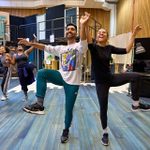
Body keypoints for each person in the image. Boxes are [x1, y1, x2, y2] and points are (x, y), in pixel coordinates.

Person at [19, 12, 90, 143]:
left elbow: (85, 38)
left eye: (72, 29)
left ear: (75, 33)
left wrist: (83, 25)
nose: (70, 30)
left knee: (68, 109)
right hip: (60, 76)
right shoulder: (61, 48)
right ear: (66, 32)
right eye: (68, 29)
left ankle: (66, 129)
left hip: (73, 83)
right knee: (42, 72)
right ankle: (39, 104)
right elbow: (45, 47)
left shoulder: (80, 47)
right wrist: (31, 44)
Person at [87, 25, 150, 146]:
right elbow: (88, 38)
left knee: (136, 76)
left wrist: (133, 35)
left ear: (107, 37)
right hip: (101, 84)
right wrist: (84, 24)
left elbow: (126, 50)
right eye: (99, 32)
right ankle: (105, 133)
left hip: (111, 78)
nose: (101, 33)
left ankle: (135, 104)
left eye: (104, 32)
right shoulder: (93, 47)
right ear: (96, 36)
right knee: (103, 108)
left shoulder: (110, 48)